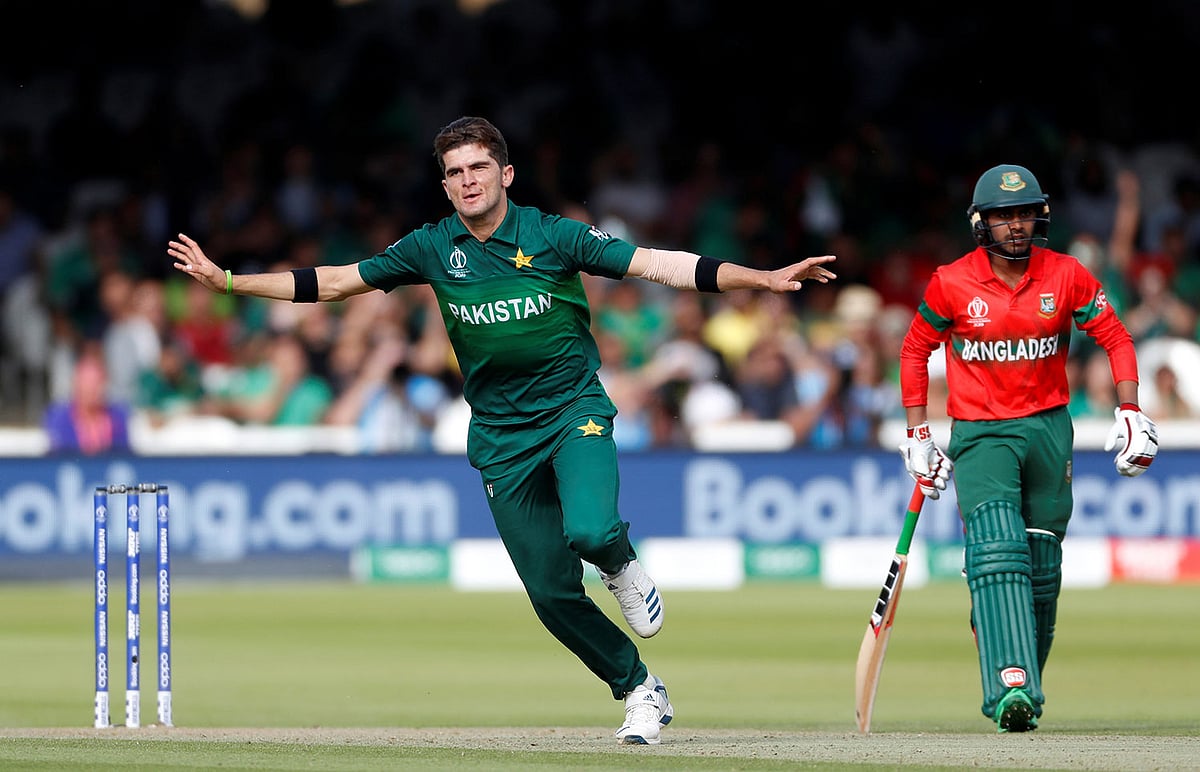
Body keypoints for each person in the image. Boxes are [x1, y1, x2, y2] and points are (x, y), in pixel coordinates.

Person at [169, 116, 837, 745]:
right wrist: (229, 281)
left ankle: (622, 565)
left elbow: (659, 265)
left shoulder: (556, 235)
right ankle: (639, 689)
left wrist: (764, 278)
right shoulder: (433, 246)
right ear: (444, 184)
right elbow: (339, 281)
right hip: (499, 437)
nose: (468, 180)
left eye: (479, 166)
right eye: (455, 171)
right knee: (549, 594)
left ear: (506, 174)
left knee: (593, 531)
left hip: (573, 410)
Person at [898, 164, 1158, 734]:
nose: (1014, 226)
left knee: (1040, 568)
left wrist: (1131, 408)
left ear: (1038, 217)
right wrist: (917, 431)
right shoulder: (951, 282)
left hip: (1048, 430)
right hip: (982, 432)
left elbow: (1114, 335)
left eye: (1023, 214)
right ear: (981, 223)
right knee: (997, 549)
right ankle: (1007, 682)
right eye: (1001, 217)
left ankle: (1016, 677)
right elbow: (916, 350)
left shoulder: (1066, 275)